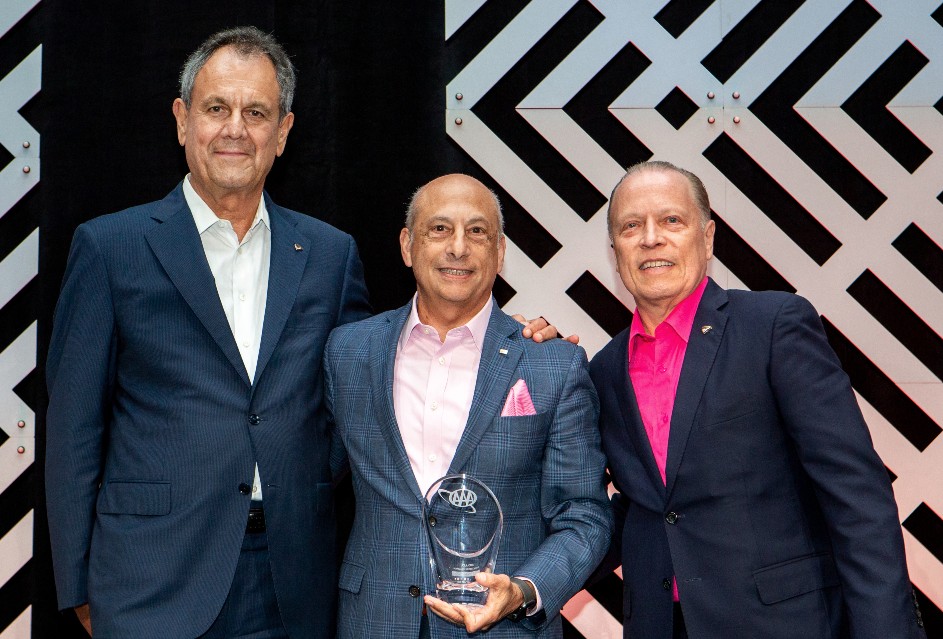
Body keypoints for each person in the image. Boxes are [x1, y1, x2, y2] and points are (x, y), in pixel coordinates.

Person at [43, 28, 559, 639]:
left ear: (283, 132)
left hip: (291, 581)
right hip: (148, 580)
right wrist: (80, 588)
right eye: (216, 108)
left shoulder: (326, 253)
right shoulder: (110, 247)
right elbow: (74, 428)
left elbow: (366, 391)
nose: (235, 128)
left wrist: (510, 342)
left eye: (255, 112)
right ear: (182, 120)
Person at [590, 160, 926, 638]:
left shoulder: (773, 326)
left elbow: (856, 496)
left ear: (706, 237)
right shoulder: (602, 370)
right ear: (615, 249)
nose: (650, 238)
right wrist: (527, 582)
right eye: (630, 226)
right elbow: (641, 508)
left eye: (671, 220)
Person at [324, 174, 611, 638]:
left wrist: (522, 590)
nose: (458, 247)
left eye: (477, 232)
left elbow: (585, 517)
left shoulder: (550, 364)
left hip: (504, 629)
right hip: (373, 622)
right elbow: (313, 475)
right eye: (439, 229)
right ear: (406, 245)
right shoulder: (348, 352)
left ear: (499, 252)